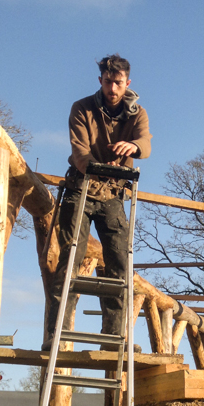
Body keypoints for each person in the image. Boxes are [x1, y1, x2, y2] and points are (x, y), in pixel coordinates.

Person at [44, 54, 151, 347]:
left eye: (118, 83)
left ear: (127, 82)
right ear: (100, 81)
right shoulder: (82, 108)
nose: (112, 88)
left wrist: (133, 146)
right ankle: (56, 334)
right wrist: (98, 167)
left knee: (119, 260)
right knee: (71, 258)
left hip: (113, 194)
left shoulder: (137, 113)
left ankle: (114, 336)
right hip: (80, 188)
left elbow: (146, 143)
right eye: (108, 82)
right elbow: (79, 151)